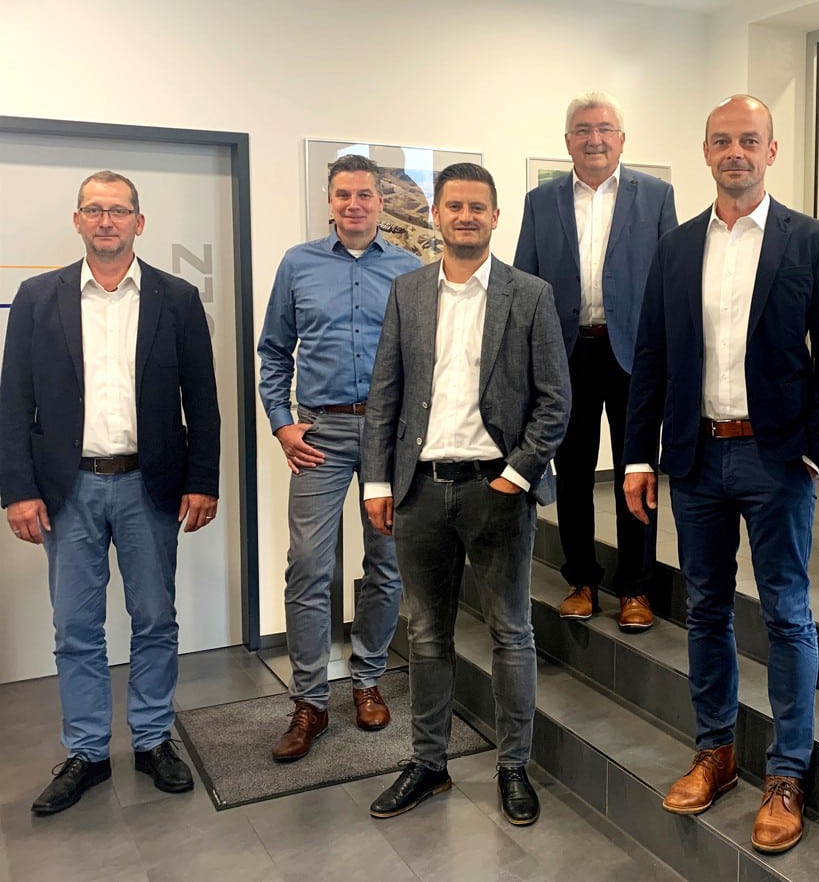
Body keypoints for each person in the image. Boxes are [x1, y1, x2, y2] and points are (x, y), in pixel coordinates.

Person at [623, 96, 819, 854]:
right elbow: (651, 357)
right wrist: (637, 454)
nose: (735, 153)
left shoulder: (810, 242)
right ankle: (715, 751)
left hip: (775, 459)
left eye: (749, 140)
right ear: (705, 151)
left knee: (786, 613)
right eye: (722, 140)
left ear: (771, 150)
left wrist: (816, 453)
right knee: (705, 611)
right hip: (695, 457)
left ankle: (786, 773)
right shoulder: (676, 247)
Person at [0, 170, 220, 814]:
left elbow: (202, 400)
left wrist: (202, 480)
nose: (106, 221)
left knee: (154, 619)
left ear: (138, 223)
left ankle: (153, 740)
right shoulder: (37, 297)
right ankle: (87, 752)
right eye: (94, 210)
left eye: (118, 211)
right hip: (66, 490)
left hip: (149, 485)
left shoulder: (177, 298)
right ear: (77, 220)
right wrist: (17, 490)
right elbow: (12, 402)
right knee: (75, 626)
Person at [361, 162, 570, 826]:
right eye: (454, 206)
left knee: (511, 633)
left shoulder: (528, 295)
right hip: (420, 491)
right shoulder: (408, 293)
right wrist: (376, 481)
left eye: (478, 207)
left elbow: (555, 401)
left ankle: (513, 767)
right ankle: (429, 764)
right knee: (426, 635)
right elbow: (385, 395)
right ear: (436, 215)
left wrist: (518, 473)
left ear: (495, 217)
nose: (466, 216)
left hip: (497, 490)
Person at [257, 154, 420, 762]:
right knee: (308, 565)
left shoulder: (409, 270)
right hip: (320, 433)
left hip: (389, 434)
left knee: (386, 562)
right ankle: (309, 700)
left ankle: (368, 678)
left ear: (381, 202)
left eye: (364, 195)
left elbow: (423, 358)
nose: (354, 204)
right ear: (330, 202)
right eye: (343, 194)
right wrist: (282, 423)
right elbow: (274, 351)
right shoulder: (297, 264)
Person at [514, 90, 677, 631]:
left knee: (638, 471)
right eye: (583, 130)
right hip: (566, 355)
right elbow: (525, 283)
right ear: (568, 142)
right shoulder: (541, 202)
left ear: (622, 139)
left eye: (605, 129)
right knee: (574, 472)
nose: (595, 139)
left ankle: (636, 588)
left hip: (634, 355)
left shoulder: (656, 196)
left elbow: (671, 281)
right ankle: (581, 580)